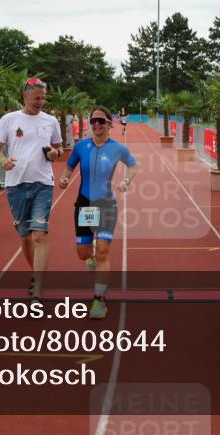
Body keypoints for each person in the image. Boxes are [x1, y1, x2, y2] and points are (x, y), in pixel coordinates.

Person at [59, 104, 138, 319]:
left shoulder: (117, 148)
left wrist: (126, 180)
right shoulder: (81, 146)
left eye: (101, 121)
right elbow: (68, 166)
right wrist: (64, 178)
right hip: (85, 204)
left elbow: (133, 166)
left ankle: (99, 299)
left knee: (103, 251)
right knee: (83, 253)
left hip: (106, 204)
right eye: (93, 120)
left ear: (109, 124)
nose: (96, 124)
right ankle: (90, 256)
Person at [0, 77, 63, 301]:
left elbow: (59, 150)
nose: (40, 101)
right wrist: (3, 162)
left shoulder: (50, 121)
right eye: (36, 97)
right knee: (26, 238)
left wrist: (54, 153)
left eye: (43, 98)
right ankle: (36, 273)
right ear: (25, 96)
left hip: (43, 184)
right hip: (16, 186)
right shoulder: (9, 119)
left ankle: (37, 291)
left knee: (39, 235)